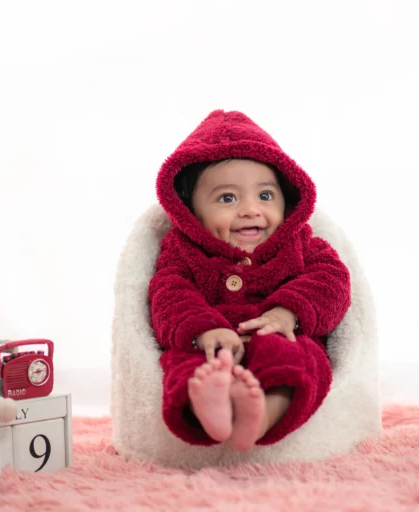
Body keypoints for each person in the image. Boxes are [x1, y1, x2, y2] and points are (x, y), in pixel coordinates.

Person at [148, 109, 351, 451]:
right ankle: (212, 412)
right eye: (228, 198)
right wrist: (203, 329)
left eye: (265, 195)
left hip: (280, 336)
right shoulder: (182, 250)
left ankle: (259, 416)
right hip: (211, 344)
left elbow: (332, 281)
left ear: (286, 200)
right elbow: (169, 293)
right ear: (190, 212)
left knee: (297, 363)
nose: (251, 209)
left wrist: (287, 312)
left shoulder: (300, 244)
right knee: (189, 371)